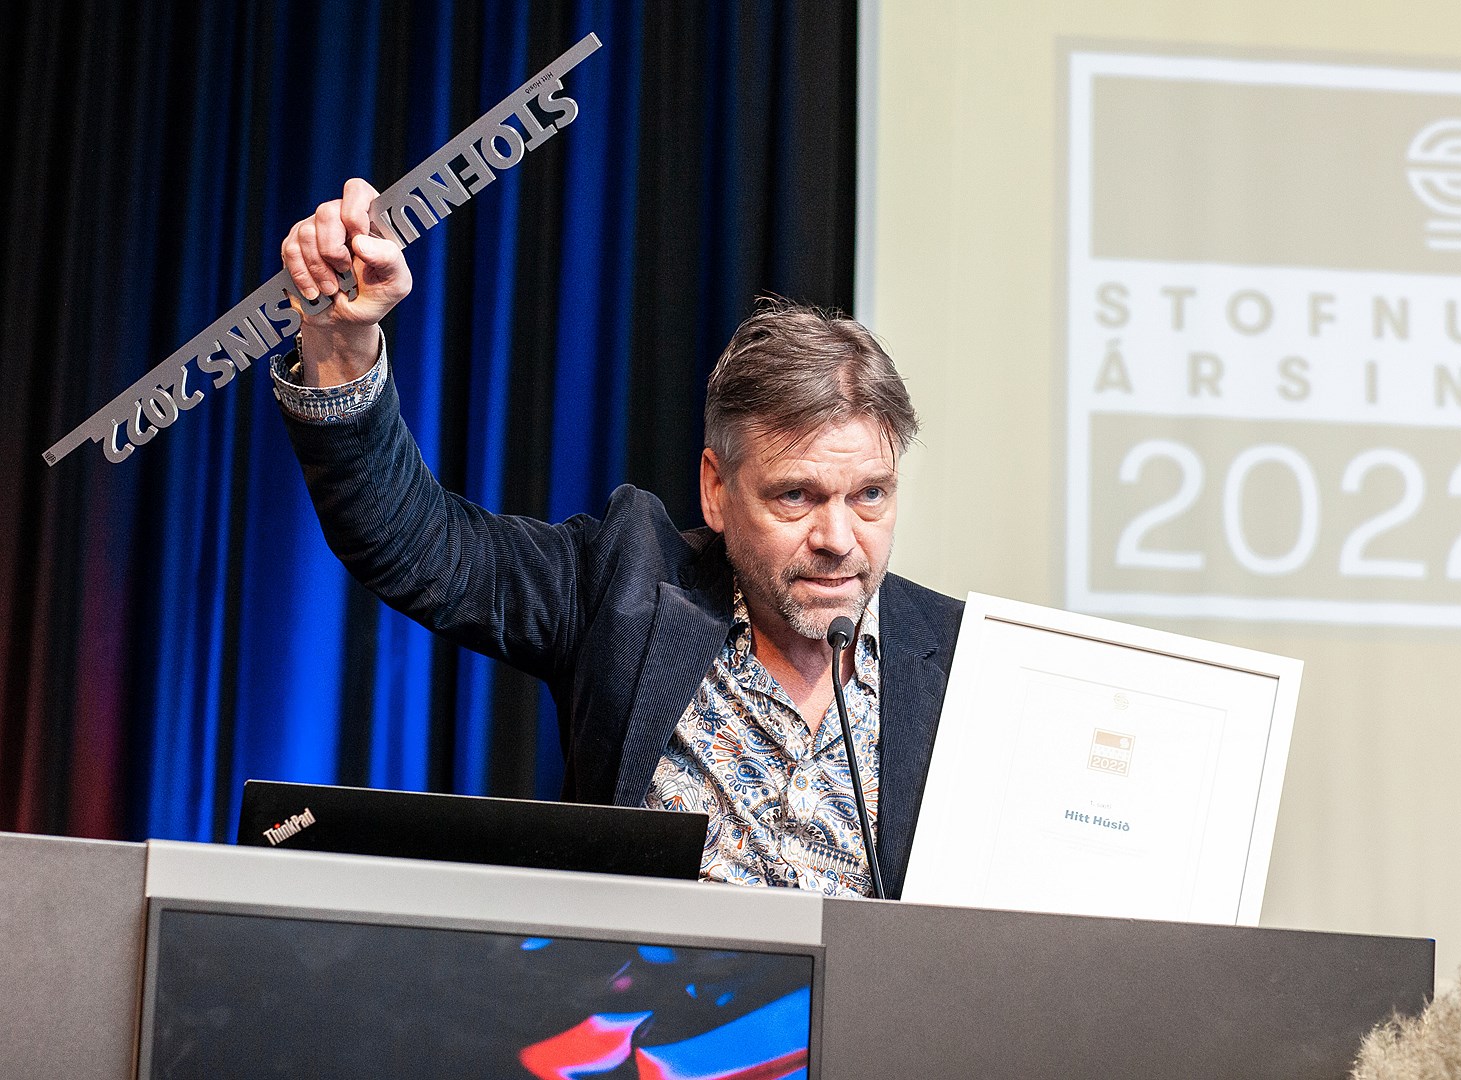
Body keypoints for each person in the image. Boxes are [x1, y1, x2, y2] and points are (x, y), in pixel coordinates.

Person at [274, 179, 962, 899]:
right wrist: (340, 344)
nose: (839, 538)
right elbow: (420, 547)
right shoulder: (625, 589)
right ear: (716, 489)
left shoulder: (959, 663)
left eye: (870, 495)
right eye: (797, 496)